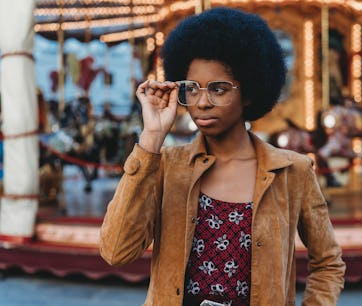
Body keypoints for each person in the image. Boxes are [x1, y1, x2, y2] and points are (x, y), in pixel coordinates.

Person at [100, 7, 345, 306]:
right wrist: (151, 138)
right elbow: (116, 251)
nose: (202, 102)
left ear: (250, 92)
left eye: (218, 89)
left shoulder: (292, 171)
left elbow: (328, 264)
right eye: (192, 89)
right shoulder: (166, 166)